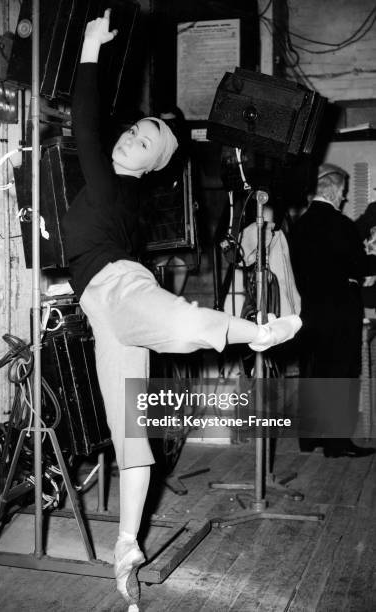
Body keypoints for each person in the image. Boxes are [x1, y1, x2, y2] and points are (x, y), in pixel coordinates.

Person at [62, 10, 302, 608]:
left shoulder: (112, 180)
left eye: (141, 141)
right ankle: (126, 548)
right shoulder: (120, 194)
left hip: (118, 289)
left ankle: (258, 333)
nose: (126, 139)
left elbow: (86, 120)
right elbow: (102, 131)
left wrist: (90, 48)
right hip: (103, 313)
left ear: (147, 165)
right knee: (131, 435)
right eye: (131, 131)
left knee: (179, 322)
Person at [290, 162, 376, 458]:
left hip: (308, 312)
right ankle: (337, 445)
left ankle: (309, 439)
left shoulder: (299, 226)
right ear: (335, 191)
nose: (344, 199)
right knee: (341, 375)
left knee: (313, 372)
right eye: (343, 193)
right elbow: (360, 267)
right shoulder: (342, 225)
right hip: (340, 312)